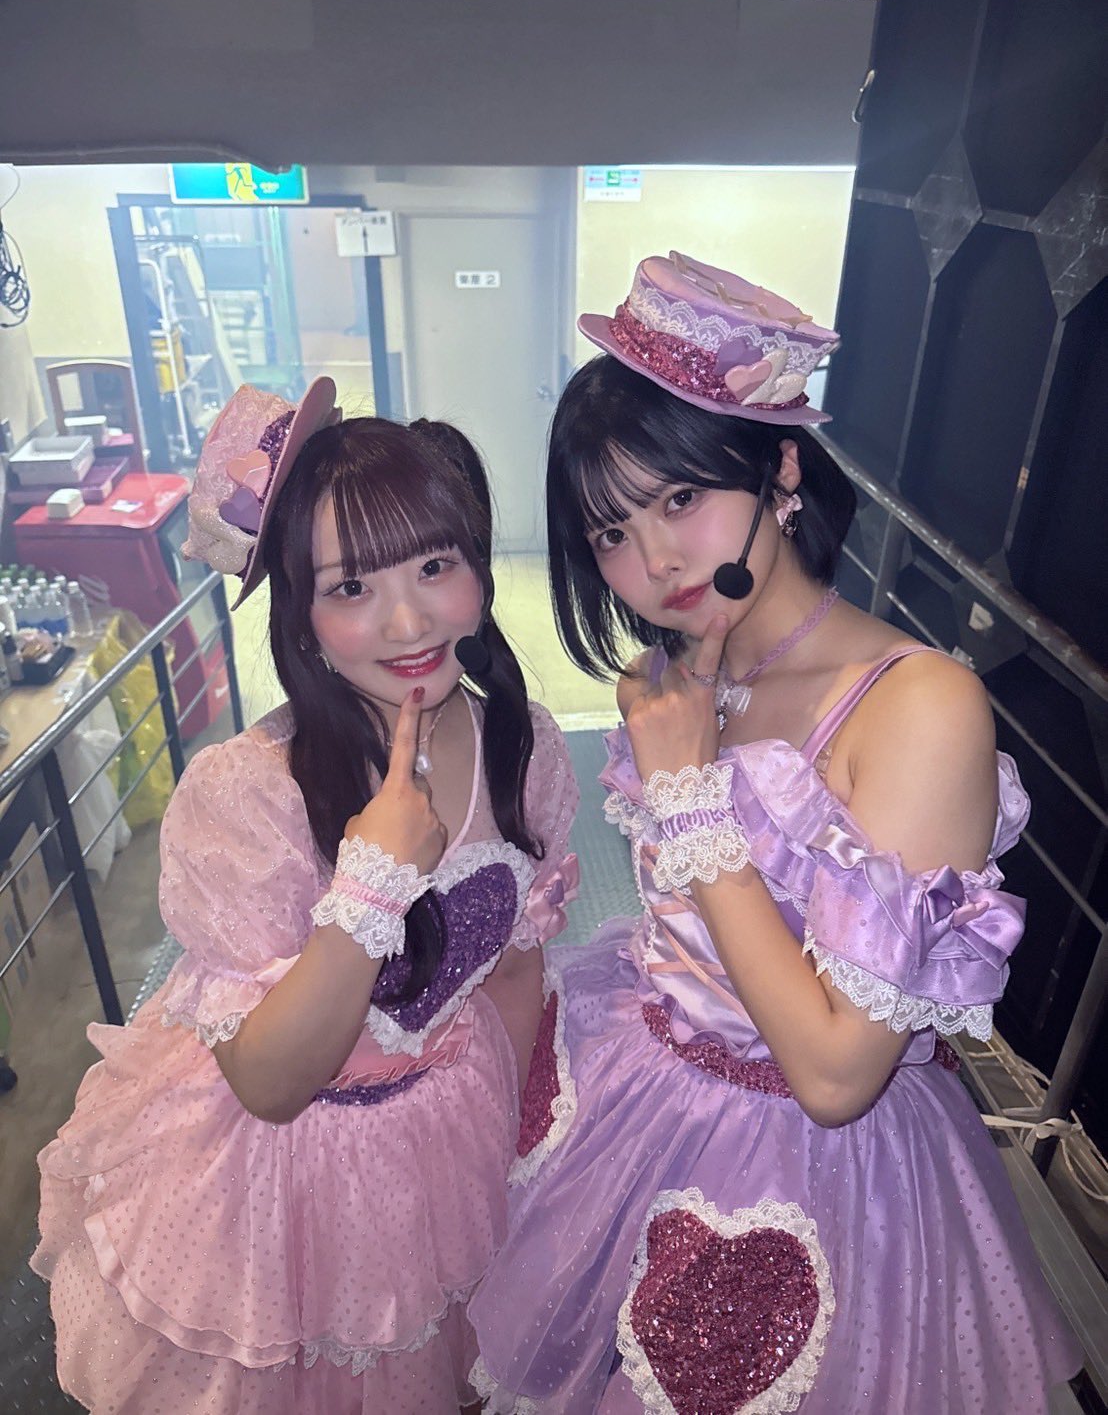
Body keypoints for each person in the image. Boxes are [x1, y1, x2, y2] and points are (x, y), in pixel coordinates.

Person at [468, 253, 1082, 1413]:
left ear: (781, 469)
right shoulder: (676, 671)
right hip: (643, 1101)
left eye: (678, 499)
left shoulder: (918, 704)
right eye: (609, 531)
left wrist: (693, 801)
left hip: (820, 1178)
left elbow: (839, 1071)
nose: (652, 562)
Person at [32, 377, 578, 1413]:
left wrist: (511, 1148)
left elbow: (514, 965)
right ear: (301, 614)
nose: (409, 619)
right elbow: (269, 1081)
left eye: (436, 564)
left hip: (448, 1125)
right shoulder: (248, 796)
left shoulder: (525, 748)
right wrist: (372, 882)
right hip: (278, 1173)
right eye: (351, 585)